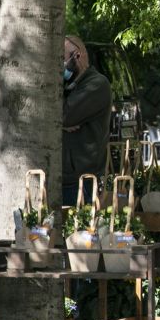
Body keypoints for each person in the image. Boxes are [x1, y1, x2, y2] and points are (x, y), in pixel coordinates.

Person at [62, 35, 112, 205]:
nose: (60, 66)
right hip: (65, 178)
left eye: (63, 59)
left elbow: (65, 115)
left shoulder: (96, 84)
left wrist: (61, 123)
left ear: (77, 56)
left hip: (82, 180)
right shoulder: (68, 87)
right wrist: (60, 127)